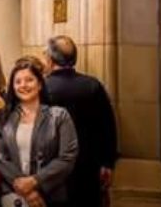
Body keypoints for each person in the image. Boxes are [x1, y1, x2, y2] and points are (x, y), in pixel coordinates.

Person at [0, 58, 78, 207]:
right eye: (18, 81)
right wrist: (26, 190)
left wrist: (35, 181)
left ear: (39, 84)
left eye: (29, 80)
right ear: (12, 86)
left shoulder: (59, 116)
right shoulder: (1, 117)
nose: (23, 85)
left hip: (51, 196)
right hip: (13, 197)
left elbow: (67, 157)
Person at [44, 35, 118, 207]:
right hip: (89, 166)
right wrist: (108, 162)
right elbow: (107, 126)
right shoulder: (93, 85)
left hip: (53, 170)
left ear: (50, 58)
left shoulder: (44, 88)